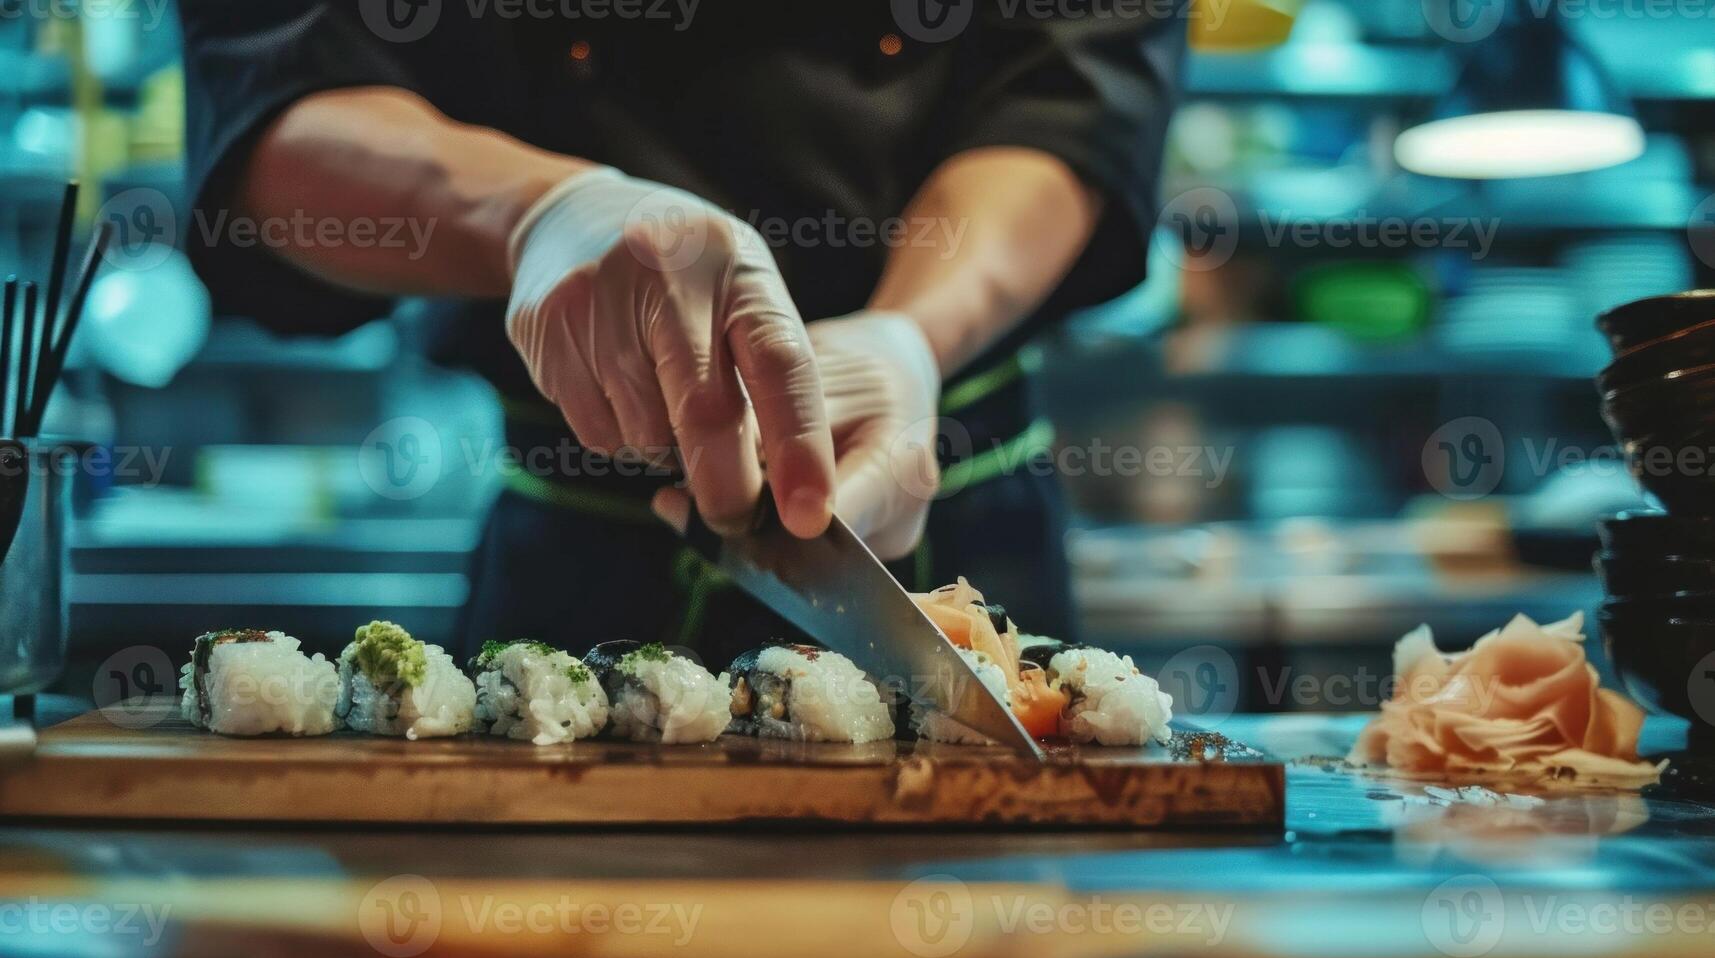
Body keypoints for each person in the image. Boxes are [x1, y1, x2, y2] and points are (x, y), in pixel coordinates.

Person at [175, 1, 1186, 663]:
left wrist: (910, 335)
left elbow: (1070, 91)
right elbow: (275, 91)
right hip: (574, 547)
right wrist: (543, 213)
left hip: (940, 523)